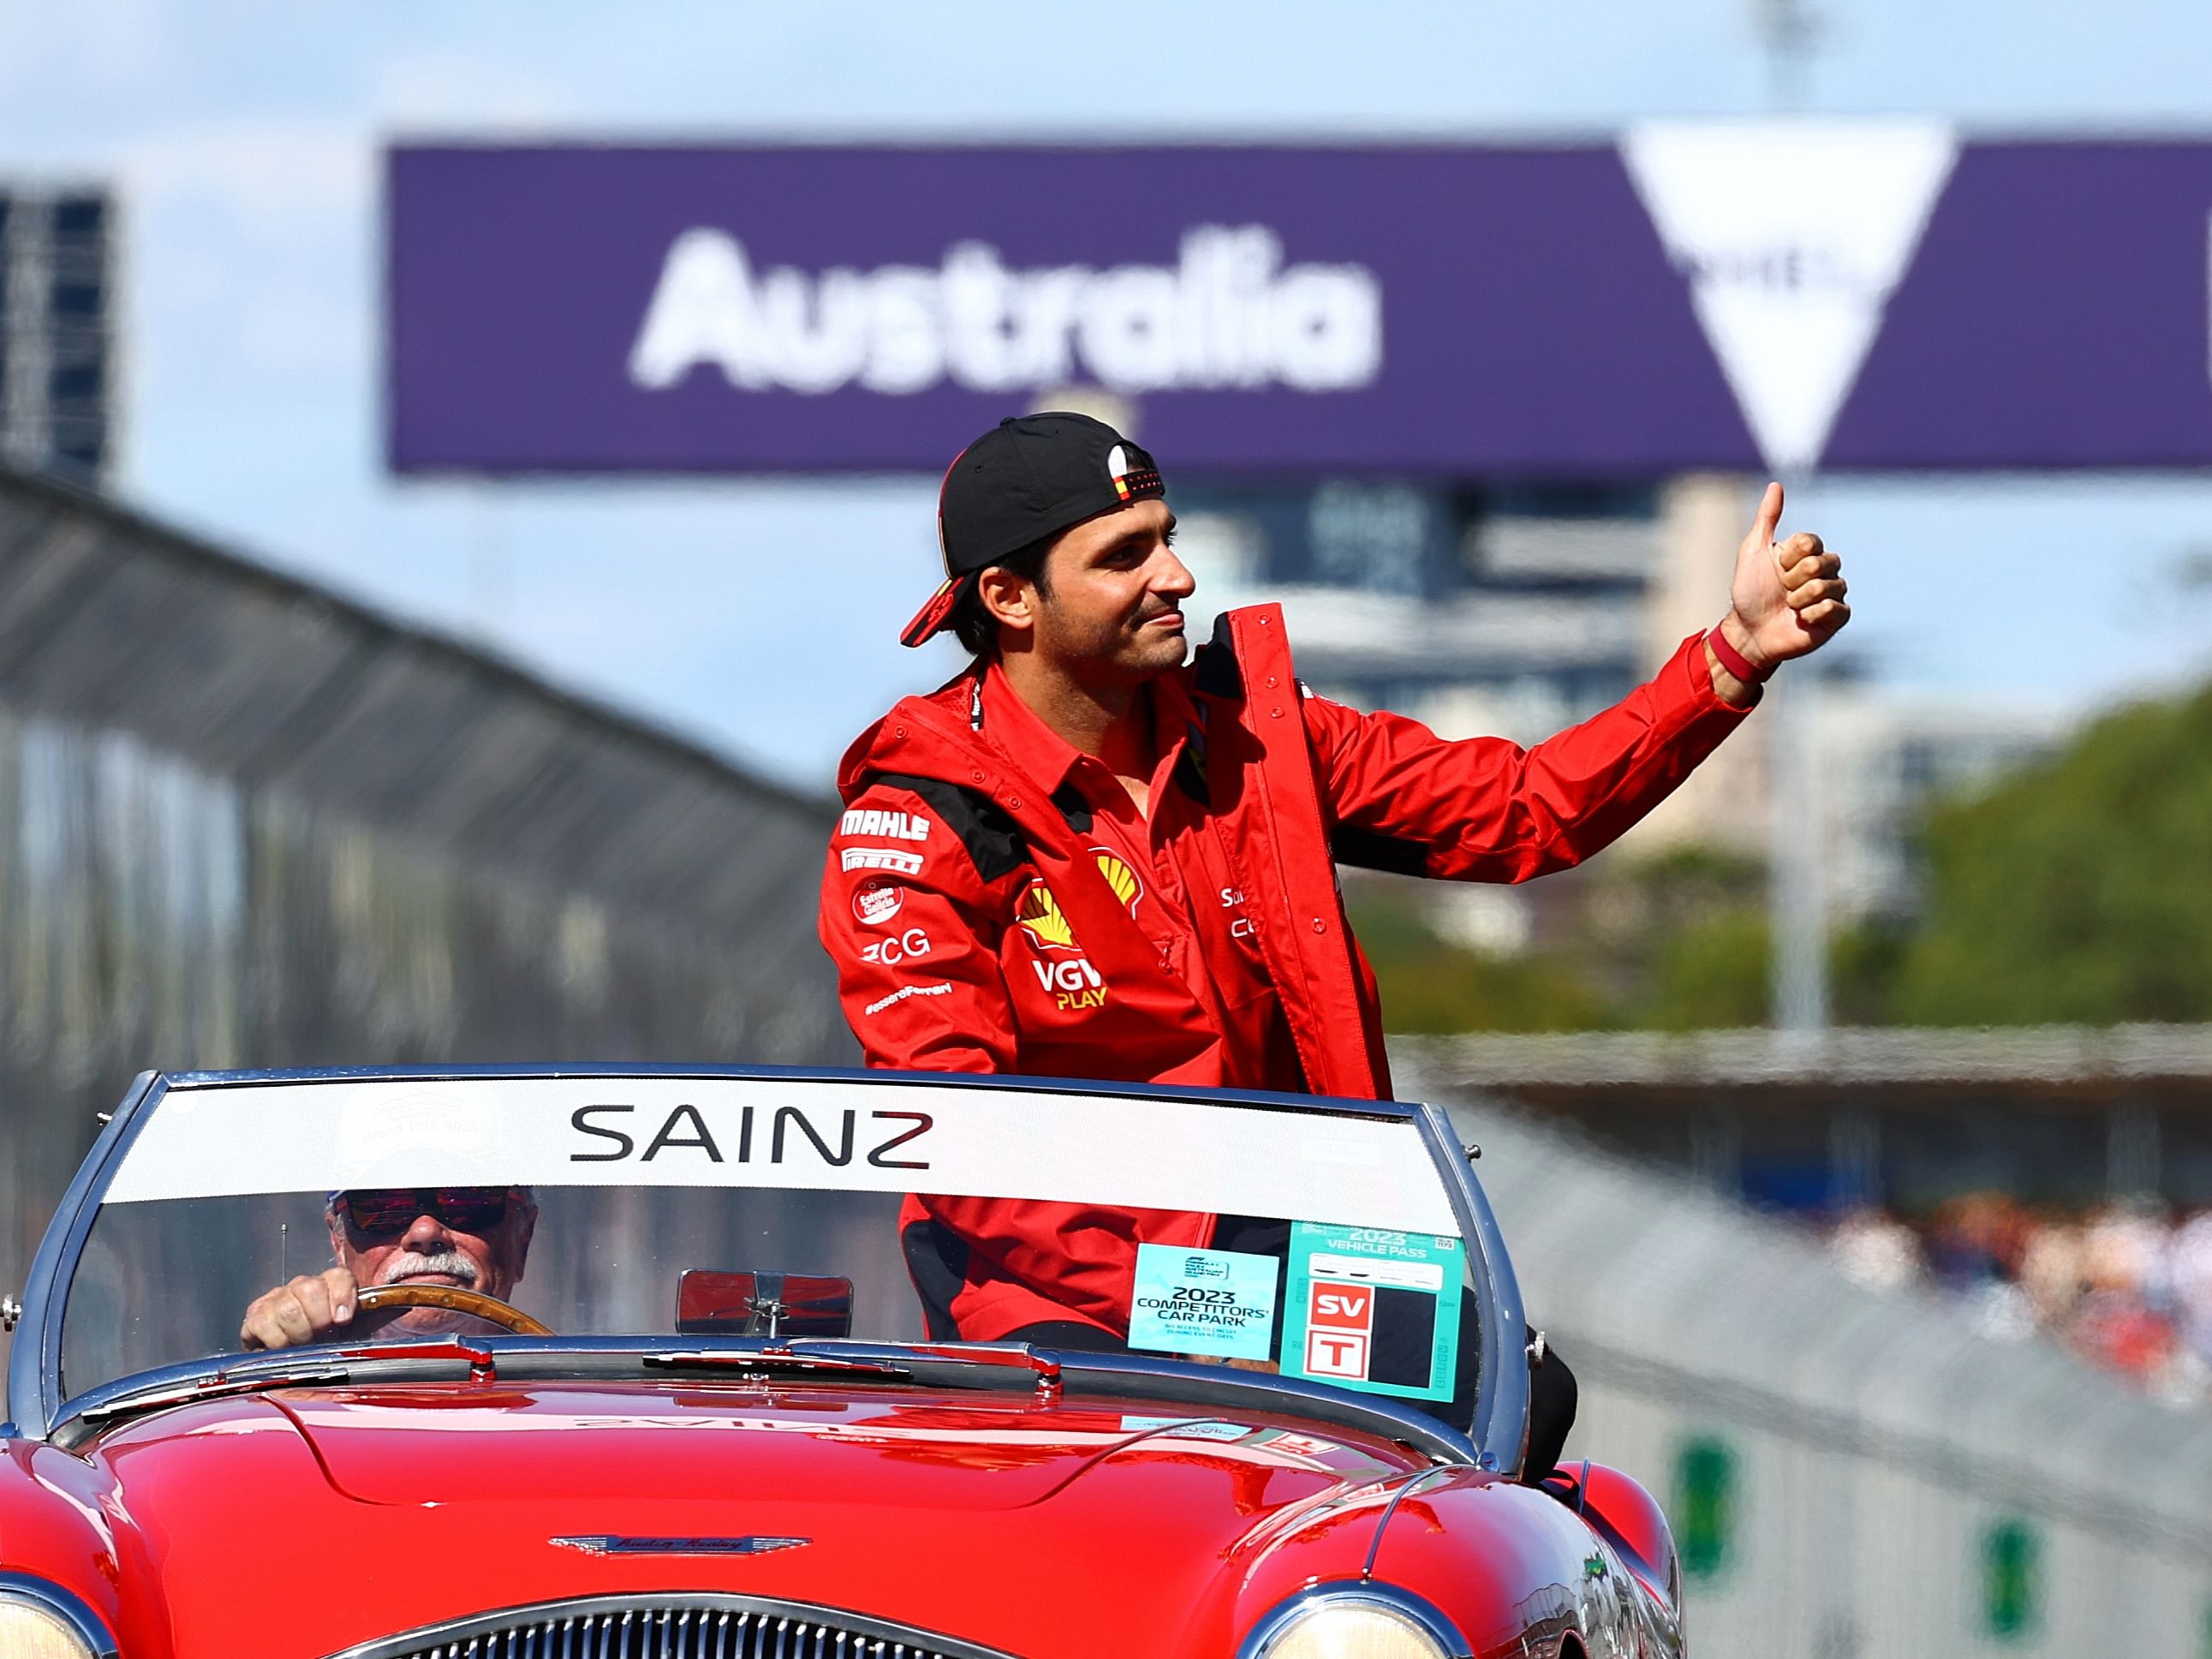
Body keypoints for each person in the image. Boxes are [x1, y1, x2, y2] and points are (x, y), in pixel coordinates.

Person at [818, 413, 1849, 1473]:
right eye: (1124, 555)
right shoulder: (919, 818)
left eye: (1168, 535)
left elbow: (1526, 808)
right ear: (1008, 598)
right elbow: (955, 1133)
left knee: (1523, 1401)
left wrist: (1731, 656)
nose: (1176, 575)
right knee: (1140, 1497)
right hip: (1058, 1294)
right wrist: (1192, 1304)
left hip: (1275, 1257)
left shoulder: (1255, 732)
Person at [239, 1185, 538, 1351]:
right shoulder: (308, 1405)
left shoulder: (575, 1400)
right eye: (383, 1207)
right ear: (339, 1243)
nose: (424, 1232)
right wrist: (283, 1358)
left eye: (466, 1201)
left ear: (523, 1239)